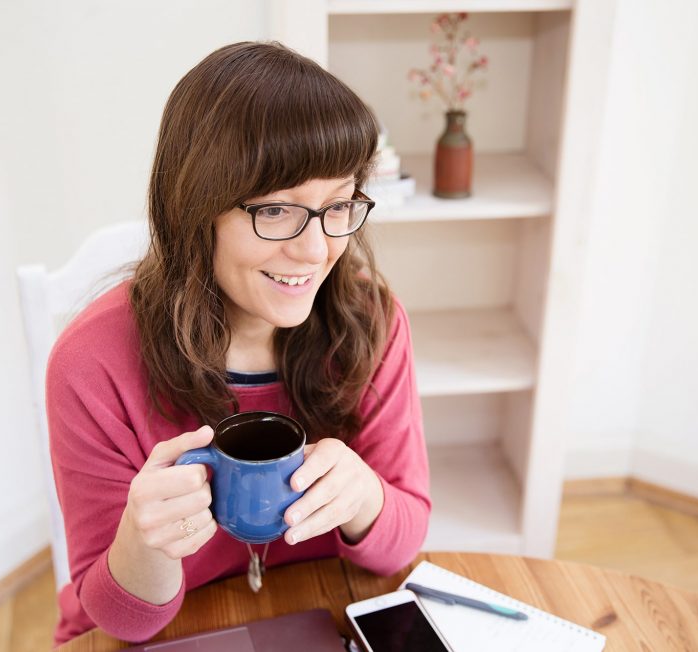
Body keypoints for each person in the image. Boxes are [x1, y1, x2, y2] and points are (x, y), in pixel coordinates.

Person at [46, 41, 430, 646]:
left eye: (337, 205)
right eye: (276, 210)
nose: (315, 250)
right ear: (195, 211)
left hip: (319, 613)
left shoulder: (370, 321)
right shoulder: (93, 362)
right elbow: (118, 620)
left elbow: (402, 542)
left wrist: (367, 497)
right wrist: (144, 541)